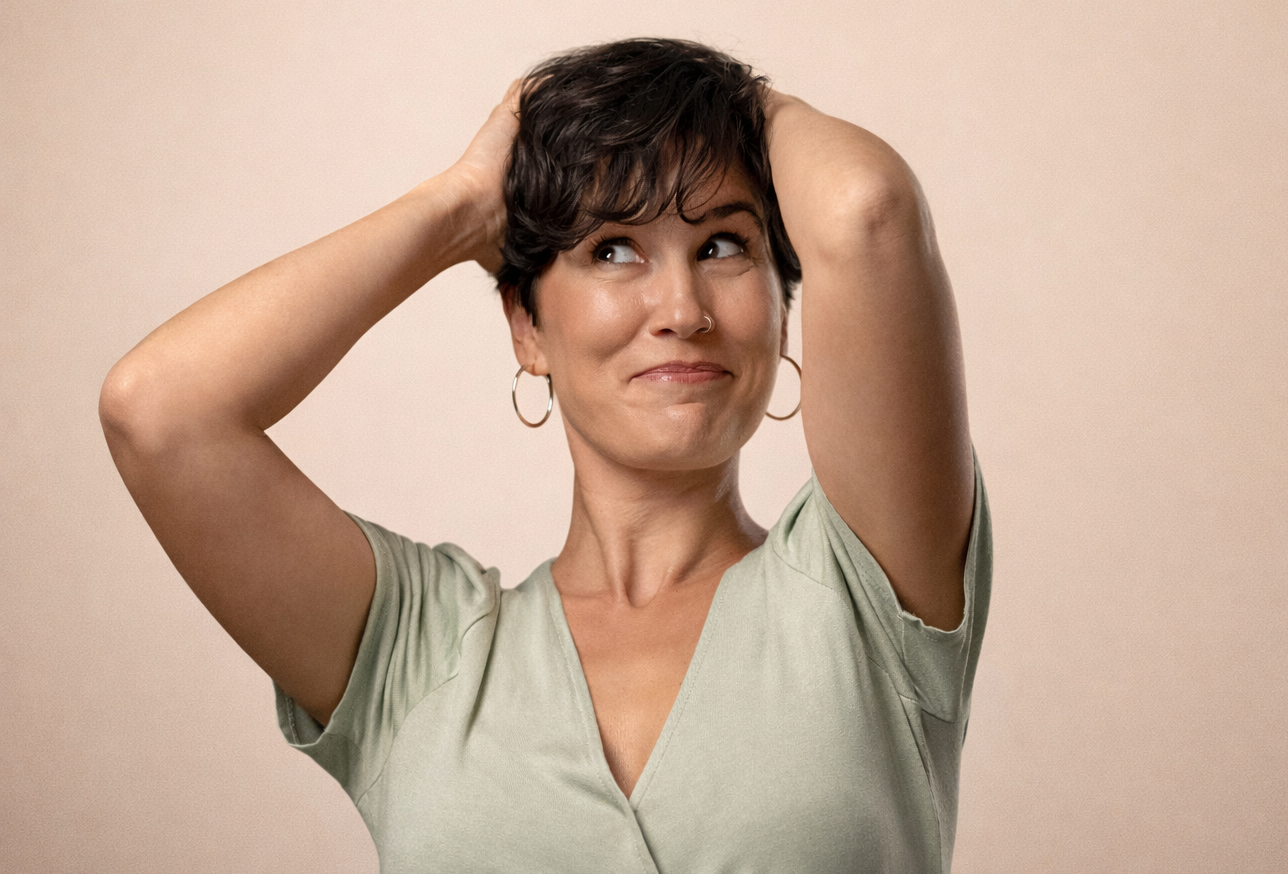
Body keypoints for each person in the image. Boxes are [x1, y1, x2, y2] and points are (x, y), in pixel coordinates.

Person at [100, 38, 990, 873]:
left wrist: (725, 99)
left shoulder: (869, 592)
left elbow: (867, 209)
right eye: (614, 249)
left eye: (723, 245)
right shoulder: (416, 653)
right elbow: (160, 412)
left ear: (784, 312)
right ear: (526, 326)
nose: (683, 310)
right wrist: (460, 208)